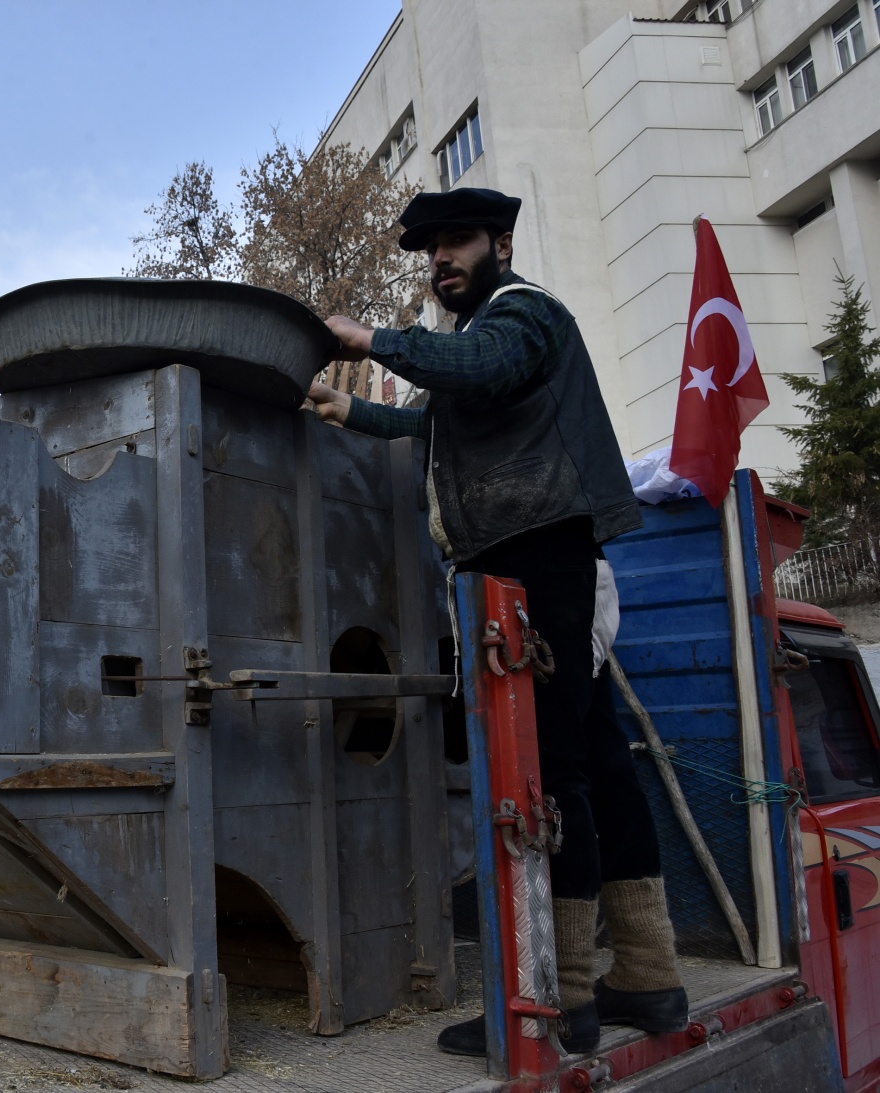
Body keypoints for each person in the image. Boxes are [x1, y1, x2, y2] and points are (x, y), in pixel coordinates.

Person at [311, 187, 685, 1057]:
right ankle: (649, 974)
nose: (441, 258)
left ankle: (561, 994)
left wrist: (371, 339)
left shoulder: (522, 316)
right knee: (595, 764)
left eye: (457, 242)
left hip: (539, 560)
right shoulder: (475, 350)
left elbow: (479, 370)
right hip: (540, 560)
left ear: (501, 243)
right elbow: (440, 421)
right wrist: (352, 412)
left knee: (546, 776)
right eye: (431, 248)